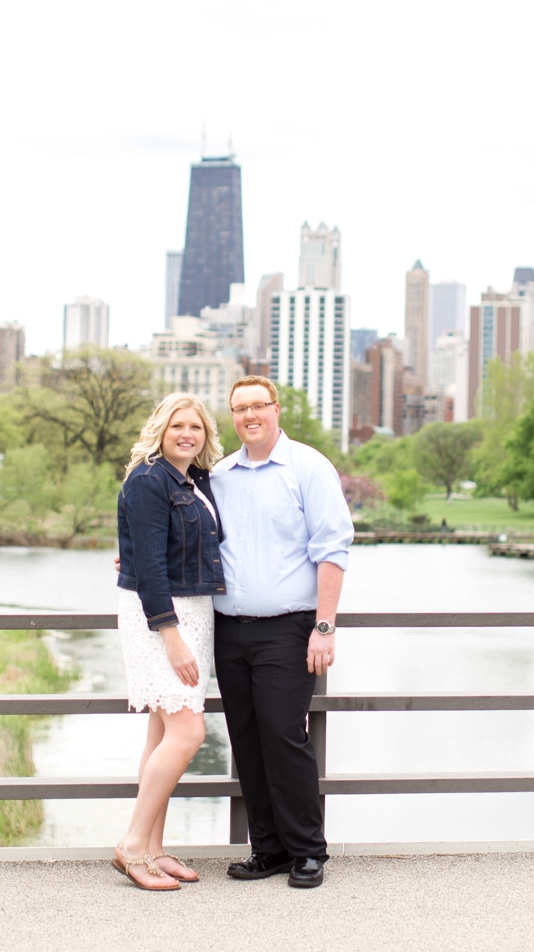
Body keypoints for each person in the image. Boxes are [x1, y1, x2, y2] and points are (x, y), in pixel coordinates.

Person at [214, 375, 353, 890]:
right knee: (246, 740)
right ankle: (267, 848)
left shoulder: (309, 467)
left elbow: (333, 548)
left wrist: (324, 626)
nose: (249, 416)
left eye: (258, 406)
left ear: (276, 409)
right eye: (239, 408)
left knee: (283, 735)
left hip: (289, 630)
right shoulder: (221, 474)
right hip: (229, 631)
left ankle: (307, 851)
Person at [112, 392, 226, 891]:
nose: (187, 434)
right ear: (160, 427)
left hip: (193, 613)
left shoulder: (195, 480)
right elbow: (152, 568)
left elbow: (164, 547)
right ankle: (132, 847)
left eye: (196, 428)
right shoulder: (148, 479)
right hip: (163, 620)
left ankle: (154, 851)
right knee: (188, 733)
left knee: (162, 733)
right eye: (178, 425)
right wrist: (172, 636)